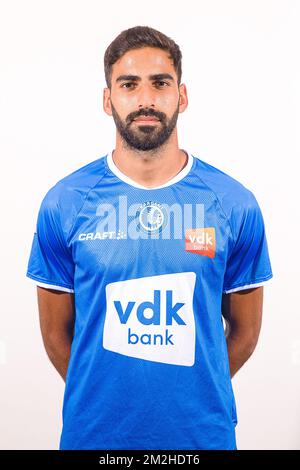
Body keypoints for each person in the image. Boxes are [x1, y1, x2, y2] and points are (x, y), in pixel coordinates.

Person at [26, 25, 273, 450]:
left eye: (160, 83)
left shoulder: (234, 204)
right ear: (108, 99)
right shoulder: (65, 202)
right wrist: (108, 393)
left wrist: (191, 391)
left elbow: (245, 333)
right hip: (95, 438)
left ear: (182, 96)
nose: (145, 100)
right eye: (128, 85)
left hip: (200, 440)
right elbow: (55, 334)